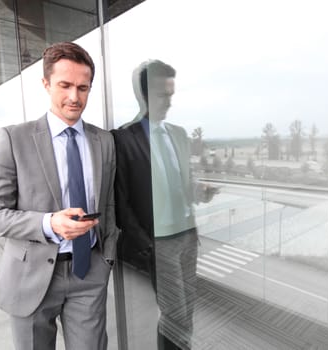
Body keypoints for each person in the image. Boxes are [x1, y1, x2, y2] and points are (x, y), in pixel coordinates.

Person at [0, 41, 117, 350]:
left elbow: (108, 203)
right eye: (64, 85)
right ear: (45, 84)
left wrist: (106, 257)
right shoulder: (14, 139)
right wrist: (48, 223)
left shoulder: (104, 141)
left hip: (89, 272)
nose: (74, 97)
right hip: (31, 274)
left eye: (83, 88)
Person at [112, 60, 218, 350]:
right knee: (175, 314)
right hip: (159, 243)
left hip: (187, 238)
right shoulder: (122, 139)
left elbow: (183, 182)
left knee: (187, 311)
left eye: (172, 94)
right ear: (143, 95)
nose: (169, 102)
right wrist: (147, 246)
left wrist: (200, 190)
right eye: (162, 95)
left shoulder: (179, 135)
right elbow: (121, 202)